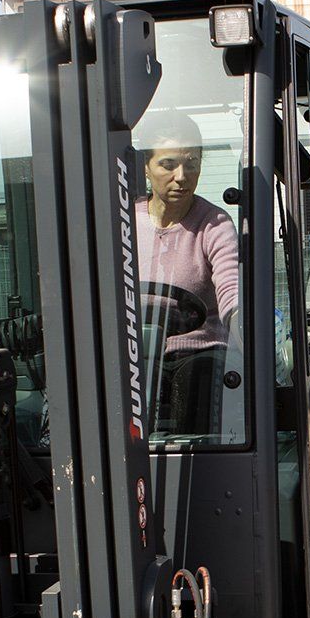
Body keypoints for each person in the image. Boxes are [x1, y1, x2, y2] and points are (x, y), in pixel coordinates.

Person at [133, 112, 240, 436]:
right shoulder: (123, 222)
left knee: (201, 375)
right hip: (136, 351)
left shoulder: (215, 224)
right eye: (168, 164)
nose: (181, 176)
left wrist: (241, 323)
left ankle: (200, 460)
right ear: (146, 167)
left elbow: (231, 289)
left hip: (198, 351)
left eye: (191, 164)